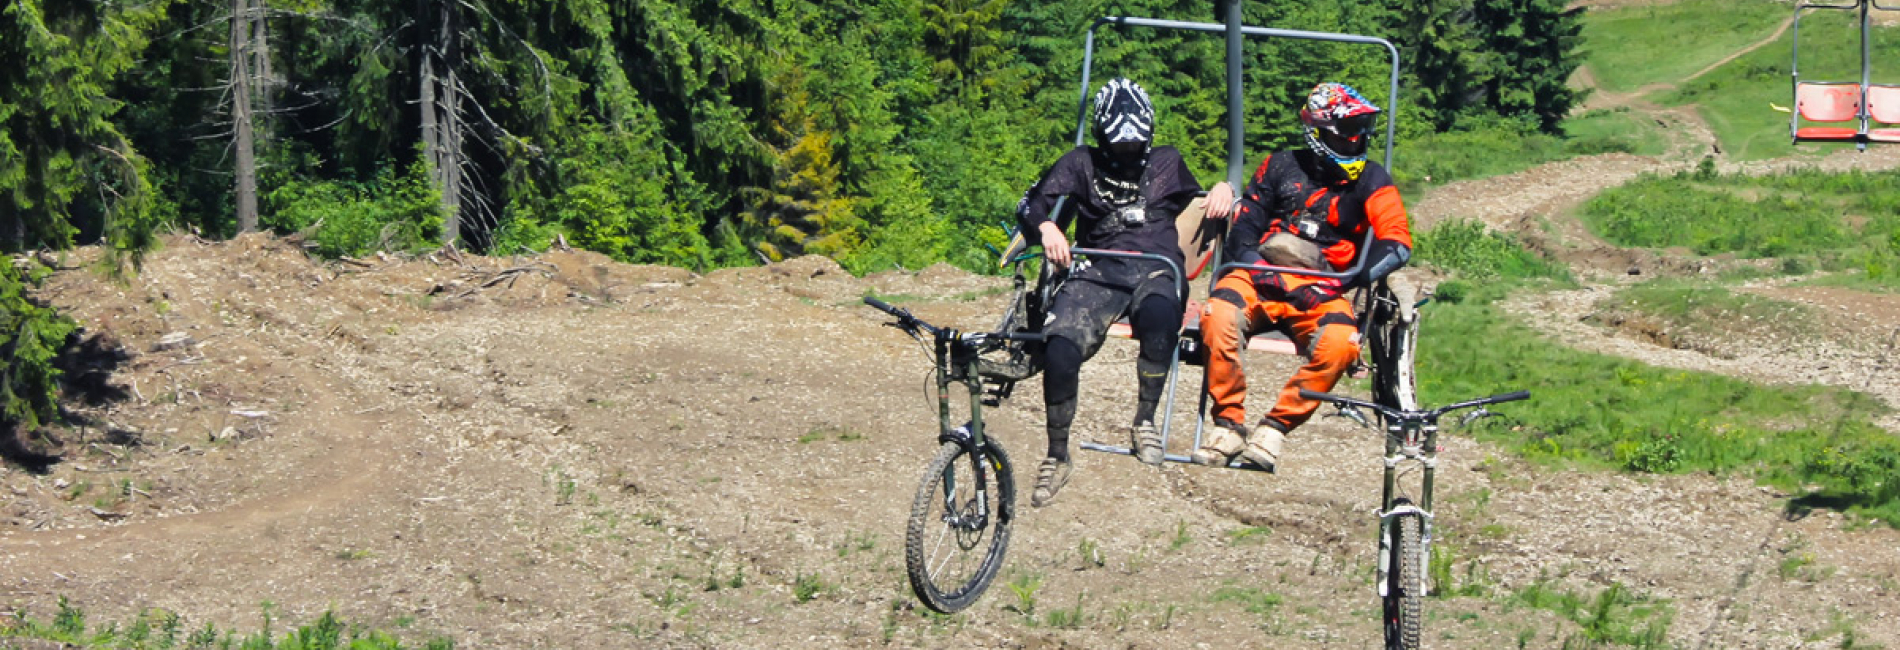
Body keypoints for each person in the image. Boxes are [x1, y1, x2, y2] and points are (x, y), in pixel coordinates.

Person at [1192, 82, 1414, 470]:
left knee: (1341, 345)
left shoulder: (1373, 180)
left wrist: (1345, 280)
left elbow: (1397, 242)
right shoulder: (1279, 165)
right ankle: (1228, 423)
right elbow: (1245, 227)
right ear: (1319, 135)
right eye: (1345, 136)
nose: (1355, 142)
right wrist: (1259, 268)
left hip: (1325, 285)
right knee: (1218, 314)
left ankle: (1274, 428)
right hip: (1259, 273)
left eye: (1360, 134)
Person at [1014, 77, 1203, 507]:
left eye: (1134, 145)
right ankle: (1057, 454)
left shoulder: (1168, 163)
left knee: (1159, 320)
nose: (1127, 153)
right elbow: (1031, 203)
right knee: (1061, 345)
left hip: (1156, 268)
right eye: (1119, 146)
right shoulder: (1080, 163)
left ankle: (1145, 420)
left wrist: (1227, 192)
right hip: (1099, 268)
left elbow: (1204, 201)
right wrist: (1046, 228)